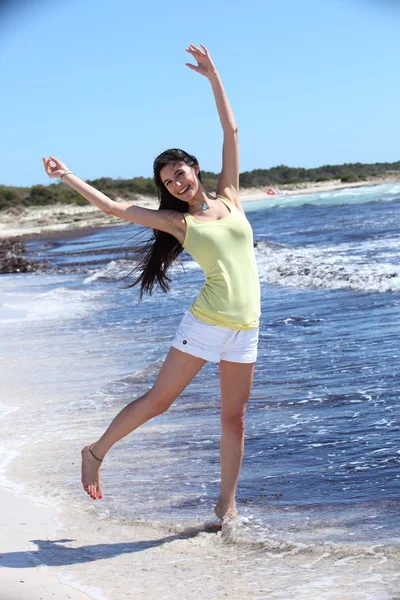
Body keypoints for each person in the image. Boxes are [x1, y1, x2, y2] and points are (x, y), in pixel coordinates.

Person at [42, 44, 261, 521]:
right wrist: (69, 176)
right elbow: (115, 208)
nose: (177, 184)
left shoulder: (231, 197)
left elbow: (232, 130)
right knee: (160, 401)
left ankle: (226, 506)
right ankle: (96, 451)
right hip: (206, 321)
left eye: (180, 174)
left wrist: (213, 76)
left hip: (247, 327)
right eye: (168, 182)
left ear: (195, 169)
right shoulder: (179, 223)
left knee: (234, 417)